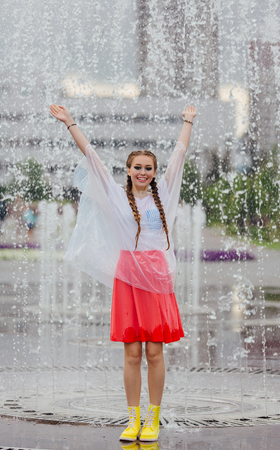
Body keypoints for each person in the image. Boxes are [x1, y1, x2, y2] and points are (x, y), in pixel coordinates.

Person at [49, 103, 197, 442]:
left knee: (155, 352)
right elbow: (93, 158)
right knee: (132, 353)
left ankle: (153, 418)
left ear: (154, 173)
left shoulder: (165, 196)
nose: (142, 172)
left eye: (148, 168)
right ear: (128, 170)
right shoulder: (116, 197)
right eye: (137, 167)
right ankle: (132, 419)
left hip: (156, 276)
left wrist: (187, 121)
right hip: (128, 276)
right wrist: (71, 123)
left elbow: (180, 154)